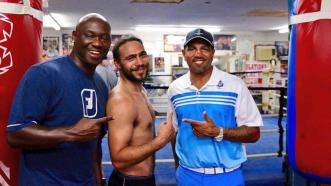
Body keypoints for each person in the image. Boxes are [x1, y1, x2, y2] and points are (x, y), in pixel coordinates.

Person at [6, 13, 112, 185]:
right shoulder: (44, 74)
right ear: (75, 37)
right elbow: (16, 134)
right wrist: (71, 133)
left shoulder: (100, 84)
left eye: (104, 38)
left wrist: (98, 178)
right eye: (90, 35)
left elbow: (94, 142)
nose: (98, 43)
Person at [167, 28, 263, 186]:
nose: (198, 54)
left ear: (212, 52)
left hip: (227, 176)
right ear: (184, 53)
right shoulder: (175, 89)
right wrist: (179, 167)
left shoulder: (234, 85)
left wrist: (219, 132)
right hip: (187, 176)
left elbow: (254, 133)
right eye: (192, 49)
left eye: (204, 48)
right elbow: (174, 132)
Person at [106, 36, 175, 186]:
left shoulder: (141, 90)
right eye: (131, 58)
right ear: (117, 64)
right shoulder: (121, 100)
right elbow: (118, 160)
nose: (139, 62)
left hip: (145, 179)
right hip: (129, 181)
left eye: (142, 55)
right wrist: (160, 141)